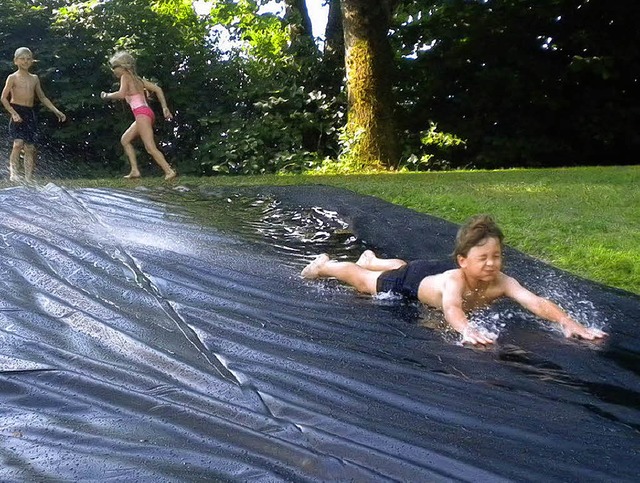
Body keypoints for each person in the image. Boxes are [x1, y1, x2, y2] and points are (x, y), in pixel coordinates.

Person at [301, 214, 608, 346]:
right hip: (412, 281)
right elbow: (451, 309)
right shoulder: (454, 280)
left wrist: (568, 322)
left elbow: (536, 302)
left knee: (395, 267)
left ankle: (373, 260)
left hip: (427, 270)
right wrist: (467, 330)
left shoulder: (502, 281)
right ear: (463, 261)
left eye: (497, 257)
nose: (491, 264)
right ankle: (326, 265)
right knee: (365, 282)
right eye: (483, 259)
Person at [100, 51, 176, 180]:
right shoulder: (138, 79)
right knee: (125, 140)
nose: (114, 71)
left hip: (141, 113)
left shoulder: (125, 76)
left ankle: (169, 171)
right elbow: (158, 89)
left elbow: (121, 94)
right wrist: (164, 107)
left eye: (114, 67)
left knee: (150, 147)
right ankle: (135, 170)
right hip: (145, 113)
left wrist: (107, 95)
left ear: (123, 67)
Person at [1, 47, 66, 182]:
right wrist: (13, 113)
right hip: (17, 110)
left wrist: (56, 110)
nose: (25, 61)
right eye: (22, 59)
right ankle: (13, 173)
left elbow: (42, 97)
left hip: (29, 113)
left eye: (28, 59)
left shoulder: (34, 78)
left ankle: (28, 177)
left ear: (32, 61)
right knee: (18, 143)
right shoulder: (12, 77)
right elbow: (3, 98)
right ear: (15, 61)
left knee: (29, 147)